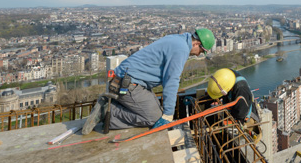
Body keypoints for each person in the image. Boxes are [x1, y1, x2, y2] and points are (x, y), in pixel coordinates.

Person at [82, 28, 215, 134]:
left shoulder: (178, 39)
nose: (198, 54)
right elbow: (171, 81)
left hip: (123, 81)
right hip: (129, 85)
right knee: (155, 118)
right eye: (201, 51)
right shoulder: (181, 49)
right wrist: (169, 114)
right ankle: (108, 114)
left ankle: (113, 105)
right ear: (196, 43)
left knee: (156, 110)